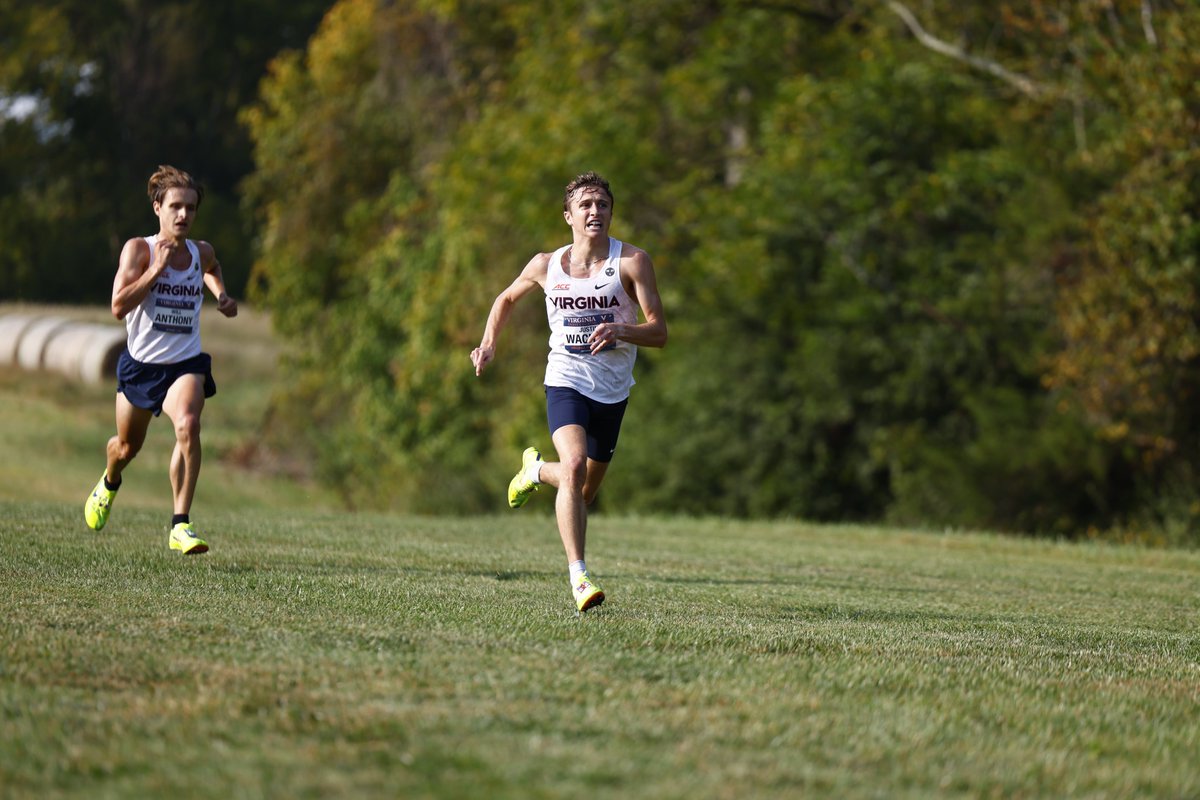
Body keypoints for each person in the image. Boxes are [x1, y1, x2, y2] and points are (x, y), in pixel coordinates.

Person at [471, 172, 667, 612]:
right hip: (566, 379)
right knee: (575, 466)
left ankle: (537, 471)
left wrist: (623, 330)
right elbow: (505, 299)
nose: (595, 211)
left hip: (613, 391)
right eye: (586, 204)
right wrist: (488, 344)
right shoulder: (546, 265)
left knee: (583, 492)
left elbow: (659, 333)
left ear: (611, 213)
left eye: (602, 204)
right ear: (569, 216)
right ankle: (579, 578)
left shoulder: (633, 262)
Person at [83, 164, 238, 554]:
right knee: (126, 448)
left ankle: (180, 524)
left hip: (185, 364)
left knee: (188, 424)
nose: (184, 214)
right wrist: (156, 269)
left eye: (190, 208)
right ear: (158, 208)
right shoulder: (139, 249)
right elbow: (118, 307)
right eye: (176, 206)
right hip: (141, 368)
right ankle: (110, 481)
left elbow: (212, 267)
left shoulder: (201, 252)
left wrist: (220, 294)